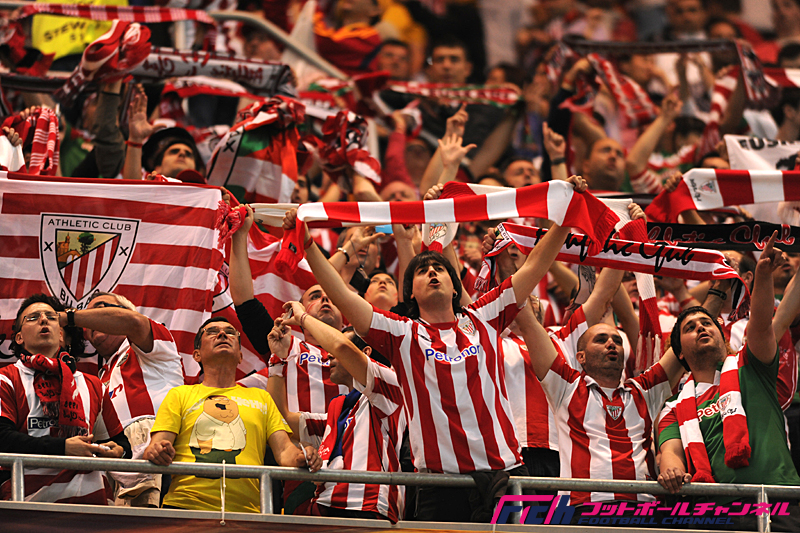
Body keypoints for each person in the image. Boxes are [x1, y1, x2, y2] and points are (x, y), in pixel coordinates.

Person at [283, 175, 589, 522]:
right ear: (410, 292)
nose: (432, 272)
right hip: (438, 485)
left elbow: (534, 265)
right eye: (422, 270)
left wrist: (566, 218)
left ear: (455, 286)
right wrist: (308, 245)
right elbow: (342, 295)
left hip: (504, 477)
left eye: (439, 268)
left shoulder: (485, 316)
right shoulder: (402, 333)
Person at [657, 232, 800, 531]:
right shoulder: (672, 408)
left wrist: (763, 276)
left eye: (707, 323)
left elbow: (762, 324)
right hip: (716, 511)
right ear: (679, 353)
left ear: (723, 335)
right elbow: (670, 451)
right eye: (690, 328)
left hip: (779, 501)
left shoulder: (752, 367)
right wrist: (672, 468)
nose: (701, 328)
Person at [143, 317, 321, 513]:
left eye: (230, 332)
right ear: (197, 355)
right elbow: (155, 446)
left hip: (246, 513)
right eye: (212, 332)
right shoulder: (179, 395)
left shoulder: (262, 397)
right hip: (184, 506)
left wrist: (304, 455)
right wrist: (157, 451)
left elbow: (285, 451)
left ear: (240, 356)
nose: (222, 334)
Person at [272, 303, 406, 522]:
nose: (328, 358)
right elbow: (283, 418)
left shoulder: (389, 385)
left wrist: (304, 318)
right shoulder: (339, 407)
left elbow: (342, 346)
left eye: (334, 353)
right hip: (324, 505)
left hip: (366, 506)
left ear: (365, 352)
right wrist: (277, 359)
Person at [0, 294, 130, 504]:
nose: (43, 320)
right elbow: (2, 438)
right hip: (26, 506)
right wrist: (63, 448)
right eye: (33, 318)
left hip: (93, 508)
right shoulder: (6, 379)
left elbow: (121, 444)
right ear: (19, 338)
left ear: (60, 333)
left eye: (51, 317)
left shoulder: (93, 385)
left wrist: (118, 451)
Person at [78, 291, 183, 507]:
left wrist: (68, 317)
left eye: (101, 309)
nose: (92, 319)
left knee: (149, 522)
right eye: (88, 317)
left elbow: (135, 324)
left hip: (158, 450)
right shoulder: (98, 378)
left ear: (126, 314)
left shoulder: (153, 344)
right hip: (114, 461)